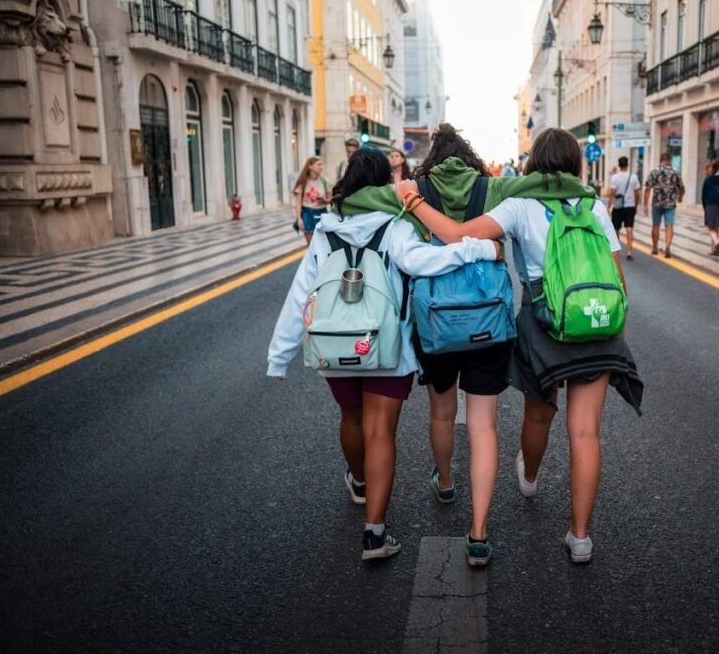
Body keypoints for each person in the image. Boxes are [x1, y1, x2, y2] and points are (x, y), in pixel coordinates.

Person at [393, 128, 643, 564]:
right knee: (585, 432)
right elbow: (618, 279)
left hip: (545, 326)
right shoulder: (593, 206)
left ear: (533, 164)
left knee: (539, 414)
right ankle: (580, 537)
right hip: (598, 325)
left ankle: (528, 476)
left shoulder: (520, 204)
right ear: (575, 165)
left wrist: (413, 201)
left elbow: (456, 235)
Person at [267, 147, 502, 562]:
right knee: (381, 431)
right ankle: (374, 535)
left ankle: (358, 482)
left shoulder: (324, 230)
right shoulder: (396, 227)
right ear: (383, 186)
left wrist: (279, 356)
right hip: (387, 348)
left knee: (351, 419)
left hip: (333, 345)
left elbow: (301, 293)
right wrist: (481, 250)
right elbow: (428, 262)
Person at [408, 124, 516, 567]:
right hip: (487, 320)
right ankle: (478, 532)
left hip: (436, 321)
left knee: (441, 411)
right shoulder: (491, 189)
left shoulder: (414, 192)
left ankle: (447, 480)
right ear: (470, 158)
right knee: (483, 425)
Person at [643, 153, 685, 257]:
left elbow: (648, 189)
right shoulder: (675, 172)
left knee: (655, 226)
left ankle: (655, 248)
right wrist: (680, 197)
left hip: (656, 203)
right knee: (669, 226)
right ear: (669, 160)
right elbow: (682, 187)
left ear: (660, 160)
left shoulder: (654, 172)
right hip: (670, 203)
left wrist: (645, 204)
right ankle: (667, 246)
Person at [608, 156, 641, 260]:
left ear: (619, 165)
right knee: (629, 228)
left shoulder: (615, 177)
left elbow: (612, 194)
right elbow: (637, 193)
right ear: (627, 165)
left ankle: (616, 250)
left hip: (618, 206)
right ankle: (629, 251)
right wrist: (635, 205)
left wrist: (609, 206)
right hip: (630, 206)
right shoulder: (634, 177)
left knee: (616, 228)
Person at [292, 156, 330, 246]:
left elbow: (330, 200)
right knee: (311, 246)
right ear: (310, 166)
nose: (321, 167)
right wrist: (299, 219)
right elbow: (298, 203)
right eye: (318, 164)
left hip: (322, 213)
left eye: (322, 165)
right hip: (308, 213)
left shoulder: (324, 181)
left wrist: (324, 200)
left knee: (323, 245)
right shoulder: (303, 182)